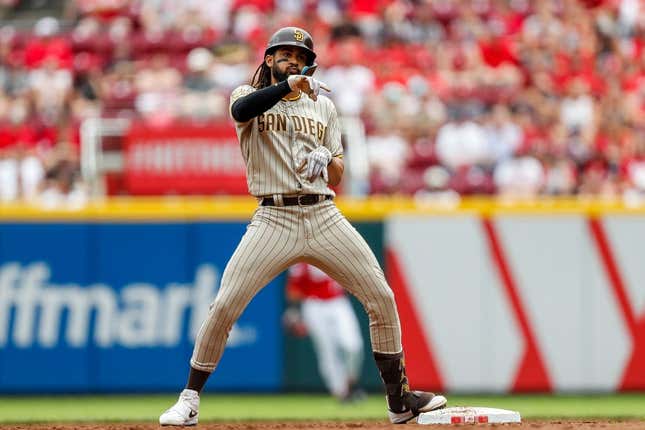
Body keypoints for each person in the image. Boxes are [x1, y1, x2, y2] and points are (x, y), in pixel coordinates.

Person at [159, 26, 447, 426]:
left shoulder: (323, 108)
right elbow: (243, 112)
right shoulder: (246, 96)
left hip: (323, 213)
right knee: (225, 304)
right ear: (268, 59)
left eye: (298, 54)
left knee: (381, 296)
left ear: (309, 62)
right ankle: (189, 399)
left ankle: (399, 401)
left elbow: (339, 173)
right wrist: (288, 87)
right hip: (274, 215)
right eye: (283, 53)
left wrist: (326, 158)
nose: (291, 59)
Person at [284, 262, 366, 403]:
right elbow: (294, 288)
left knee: (353, 345)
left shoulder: (336, 248)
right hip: (314, 305)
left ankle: (351, 383)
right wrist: (294, 311)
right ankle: (341, 393)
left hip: (338, 302)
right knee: (327, 351)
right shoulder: (302, 258)